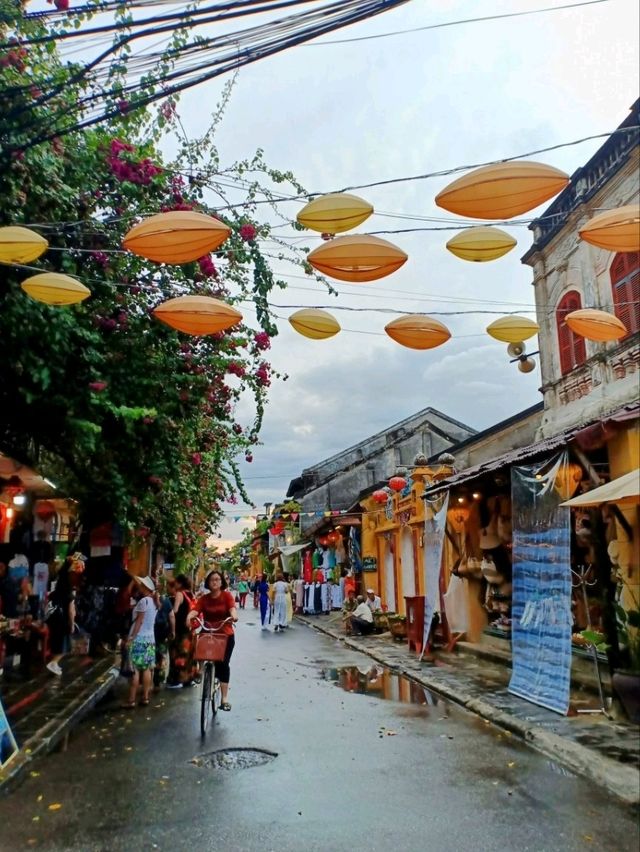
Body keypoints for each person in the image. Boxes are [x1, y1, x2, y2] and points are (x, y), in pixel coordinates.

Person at [187, 570, 238, 711]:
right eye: (212, 580)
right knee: (198, 646)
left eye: (217, 579)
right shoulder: (204, 599)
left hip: (225, 634)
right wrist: (189, 616)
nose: (215, 582)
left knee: (223, 665)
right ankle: (201, 670)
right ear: (208, 583)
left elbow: (232, 609)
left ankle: (224, 699)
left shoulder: (227, 596)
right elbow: (196, 610)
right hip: (208, 632)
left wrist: (234, 615)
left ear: (221, 582)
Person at [121, 576, 158, 708]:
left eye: (142, 585)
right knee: (147, 669)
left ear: (146, 588)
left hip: (139, 639)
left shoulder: (143, 602)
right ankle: (145, 697)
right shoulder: (154, 602)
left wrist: (131, 638)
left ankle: (131, 699)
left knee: (135, 670)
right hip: (150, 639)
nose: (140, 587)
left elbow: (139, 621)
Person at [45, 557, 76, 676]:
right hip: (62, 620)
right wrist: (72, 624)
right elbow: (71, 610)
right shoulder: (69, 590)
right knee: (65, 646)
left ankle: (55, 664)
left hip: (53, 619)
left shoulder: (58, 587)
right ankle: (53, 662)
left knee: (56, 642)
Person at [166, 575, 197, 688]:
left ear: (179, 583)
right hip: (189, 629)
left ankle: (176, 679)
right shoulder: (190, 593)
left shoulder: (180, 594)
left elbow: (175, 610)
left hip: (179, 629)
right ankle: (188, 679)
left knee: (177, 654)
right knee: (188, 655)